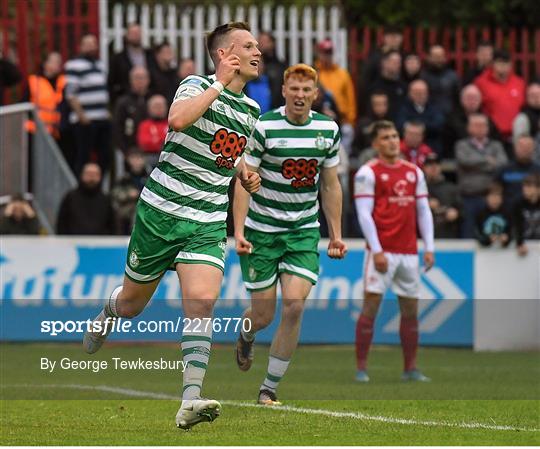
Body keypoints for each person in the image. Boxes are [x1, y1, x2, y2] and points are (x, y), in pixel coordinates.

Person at [81, 22, 262, 430]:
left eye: (257, 46)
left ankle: (190, 400)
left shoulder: (251, 111)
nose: (258, 52)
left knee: (201, 302)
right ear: (224, 54)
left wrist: (246, 173)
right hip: (161, 211)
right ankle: (108, 312)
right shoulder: (194, 85)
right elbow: (178, 121)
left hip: (207, 219)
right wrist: (217, 85)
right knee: (132, 305)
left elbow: (226, 154)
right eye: (248, 46)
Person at [233, 63, 347, 405]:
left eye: (306, 90)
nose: (300, 95)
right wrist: (237, 230)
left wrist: (336, 234)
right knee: (264, 315)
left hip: (302, 230)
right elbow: (244, 179)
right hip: (262, 231)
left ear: (315, 94)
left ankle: (268, 389)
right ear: (284, 91)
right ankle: (246, 335)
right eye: (294, 89)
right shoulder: (265, 125)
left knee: (295, 306)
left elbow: (330, 184)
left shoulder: (327, 129)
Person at [353, 120, 434, 383]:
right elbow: (364, 215)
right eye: (385, 137)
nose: (391, 140)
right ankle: (362, 368)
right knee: (371, 307)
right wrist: (376, 250)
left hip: (409, 252)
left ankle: (410, 368)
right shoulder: (367, 173)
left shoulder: (414, 172)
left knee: (410, 310)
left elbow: (423, 211)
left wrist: (429, 247)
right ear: (375, 143)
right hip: (382, 252)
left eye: (394, 135)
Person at [64, 34, 111, 176]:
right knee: (83, 157)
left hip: (101, 118)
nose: (91, 46)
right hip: (85, 120)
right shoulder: (74, 65)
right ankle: (81, 186)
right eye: (87, 43)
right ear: (81, 46)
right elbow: (70, 93)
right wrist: (82, 116)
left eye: (93, 43)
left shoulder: (100, 64)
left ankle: (97, 185)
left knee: (105, 156)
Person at [455, 113, 508, 237]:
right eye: (476, 125)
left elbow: (502, 164)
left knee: (491, 232)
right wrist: (488, 161)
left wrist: (476, 165)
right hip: (469, 197)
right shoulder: (461, 145)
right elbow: (465, 162)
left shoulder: (496, 145)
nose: (480, 128)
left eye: (483, 125)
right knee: (468, 232)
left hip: (491, 198)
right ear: (469, 128)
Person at [474, 49, 525, 143]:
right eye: (500, 62)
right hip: (491, 137)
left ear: (511, 65)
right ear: (492, 64)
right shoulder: (481, 82)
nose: (503, 66)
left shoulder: (519, 83)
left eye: (506, 63)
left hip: (516, 136)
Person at [315, 38, 356, 153]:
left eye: (329, 53)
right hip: (319, 118)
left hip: (342, 120)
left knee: (342, 152)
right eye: (324, 53)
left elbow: (350, 99)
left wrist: (350, 120)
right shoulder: (314, 72)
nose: (326, 56)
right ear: (319, 53)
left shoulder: (342, 74)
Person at [56, 162, 116, 235]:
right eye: (88, 174)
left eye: (95, 174)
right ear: (82, 175)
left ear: (100, 177)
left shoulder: (106, 200)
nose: (91, 178)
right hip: (72, 243)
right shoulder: (70, 198)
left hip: (101, 244)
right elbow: (61, 224)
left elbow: (113, 225)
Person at [442, 84, 500, 159]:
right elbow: (448, 146)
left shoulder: (487, 120)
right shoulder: (452, 120)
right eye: (469, 98)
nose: (472, 101)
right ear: (462, 100)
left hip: (487, 159)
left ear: (480, 100)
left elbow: (495, 140)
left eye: (475, 98)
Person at [108, 23, 155, 105]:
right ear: (127, 35)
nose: (136, 36)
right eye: (133, 33)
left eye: (138, 33)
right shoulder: (118, 58)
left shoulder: (150, 54)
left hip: (147, 100)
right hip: (126, 100)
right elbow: (111, 82)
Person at [396, 79, 445, 154]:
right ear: (410, 93)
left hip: (430, 144)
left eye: (422, 93)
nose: (420, 95)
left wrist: (415, 125)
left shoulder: (435, 107)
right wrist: (424, 124)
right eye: (417, 93)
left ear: (427, 93)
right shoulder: (403, 107)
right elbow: (400, 124)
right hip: (406, 149)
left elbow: (438, 125)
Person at [25, 52, 66, 140]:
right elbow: (25, 104)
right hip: (36, 131)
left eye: (58, 62)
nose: (56, 65)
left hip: (58, 132)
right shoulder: (34, 81)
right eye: (53, 61)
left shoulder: (63, 81)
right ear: (45, 63)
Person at [113, 66, 152, 154]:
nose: (140, 81)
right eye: (136, 78)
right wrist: (126, 152)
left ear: (148, 80)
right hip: (131, 150)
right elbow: (117, 128)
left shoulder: (154, 100)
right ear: (130, 80)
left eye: (142, 77)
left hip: (153, 151)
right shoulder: (123, 102)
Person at [111, 149, 149, 234]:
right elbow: (114, 193)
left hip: (146, 210)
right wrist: (127, 194)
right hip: (127, 212)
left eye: (139, 158)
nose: (136, 161)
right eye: (133, 158)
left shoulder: (150, 178)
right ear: (128, 160)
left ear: (144, 160)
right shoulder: (124, 178)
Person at [423, 154, 462, 238]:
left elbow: (462, 210)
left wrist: (456, 213)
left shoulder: (451, 187)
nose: (433, 167)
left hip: (447, 235)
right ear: (424, 168)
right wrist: (425, 204)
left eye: (436, 164)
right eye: (429, 164)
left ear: (440, 167)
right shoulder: (419, 188)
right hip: (423, 236)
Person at [496, 135, 540, 208]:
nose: (525, 149)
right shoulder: (504, 170)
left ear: (533, 149)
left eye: (528, 146)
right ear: (515, 148)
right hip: (508, 211)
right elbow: (494, 191)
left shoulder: (538, 170)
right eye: (522, 146)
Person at [366, 50, 407, 121]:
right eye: (394, 62)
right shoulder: (374, 86)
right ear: (384, 63)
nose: (398, 65)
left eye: (399, 62)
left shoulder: (402, 86)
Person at [420, 45, 460, 115]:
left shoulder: (452, 76)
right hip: (428, 115)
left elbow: (458, 97)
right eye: (435, 56)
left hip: (450, 116)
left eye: (440, 56)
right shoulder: (422, 76)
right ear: (429, 58)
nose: (438, 59)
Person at [136, 94, 169, 167]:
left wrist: (156, 140)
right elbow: (144, 144)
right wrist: (162, 142)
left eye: (161, 106)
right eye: (156, 106)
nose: (159, 109)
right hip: (151, 157)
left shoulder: (171, 124)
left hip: (169, 157)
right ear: (149, 108)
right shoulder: (145, 125)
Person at [475, 183, 511, 247]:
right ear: (486, 198)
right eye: (492, 196)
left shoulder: (507, 214)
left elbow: (512, 232)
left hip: (505, 253)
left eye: (497, 196)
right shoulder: (480, 214)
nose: (495, 199)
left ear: (502, 198)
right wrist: (487, 239)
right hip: (483, 253)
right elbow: (477, 234)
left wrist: (507, 238)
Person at [353, 91, 390, 155]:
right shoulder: (363, 123)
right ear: (371, 105)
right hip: (366, 156)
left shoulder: (391, 123)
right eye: (377, 104)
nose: (381, 107)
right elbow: (355, 146)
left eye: (384, 104)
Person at [257, 31, 288, 109]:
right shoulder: (254, 64)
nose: (261, 43)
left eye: (264, 41)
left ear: (272, 43)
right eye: (259, 41)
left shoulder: (280, 67)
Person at [513, 173, 540, 257]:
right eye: (524, 187)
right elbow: (517, 225)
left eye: (529, 187)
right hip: (526, 244)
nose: (525, 189)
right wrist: (519, 243)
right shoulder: (518, 204)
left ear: (538, 189)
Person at [512, 82, 540, 147]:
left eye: (538, 94)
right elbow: (521, 147)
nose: (536, 98)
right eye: (532, 95)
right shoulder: (522, 118)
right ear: (527, 98)